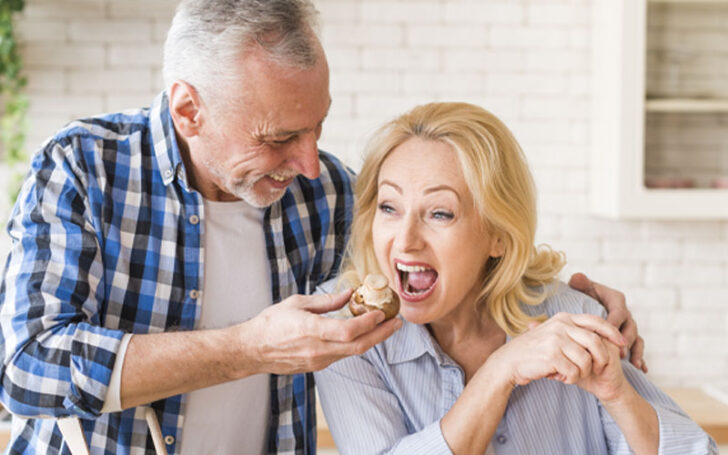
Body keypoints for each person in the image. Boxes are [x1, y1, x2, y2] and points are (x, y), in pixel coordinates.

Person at [0, 1, 642, 454]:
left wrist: (574, 304)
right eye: (280, 137)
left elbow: (446, 238)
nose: (309, 162)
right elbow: (25, 369)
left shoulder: (323, 190)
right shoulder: (86, 167)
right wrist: (249, 348)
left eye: (317, 128)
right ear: (189, 110)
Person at [315, 102, 717, 454]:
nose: (405, 240)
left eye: (440, 213)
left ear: (498, 237)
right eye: (389, 207)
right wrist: (499, 372)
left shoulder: (571, 315)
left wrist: (618, 395)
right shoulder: (347, 337)